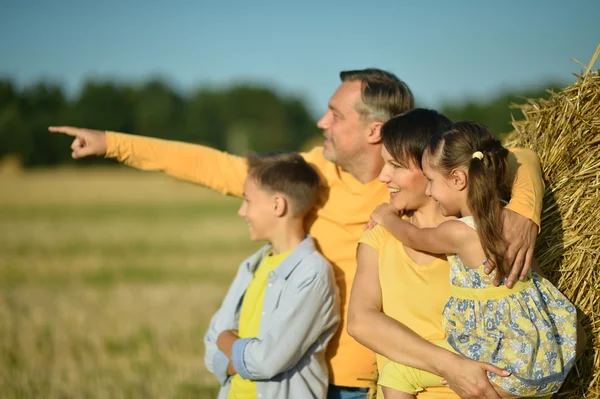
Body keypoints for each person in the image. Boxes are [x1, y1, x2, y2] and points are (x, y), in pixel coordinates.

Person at [48, 68, 545, 398]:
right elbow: (219, 168)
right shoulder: (313, 176)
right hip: (305, 380)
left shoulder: (423, 179)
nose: (320, 121)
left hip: (379, 383)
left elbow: (516, 154)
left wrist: (524, 209)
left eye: (335, 114)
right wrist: (113, 143)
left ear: (375, 131)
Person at [368, 121, 577, 398]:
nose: (429, 191)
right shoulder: (509, 220)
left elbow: (414, 237)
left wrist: (386, 218)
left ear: (457, 179)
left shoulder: (457, 232)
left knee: (397, 372)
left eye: (432, 181)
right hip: (544, 358)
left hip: (501, 363)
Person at [204, 151, 340, 399]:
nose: (242, 211)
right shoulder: (251, 266)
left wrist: (227, 340)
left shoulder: (312, 275)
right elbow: (210, 345)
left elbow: (267, 360)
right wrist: (233, 350)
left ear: (278, 205)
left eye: (248, 201)